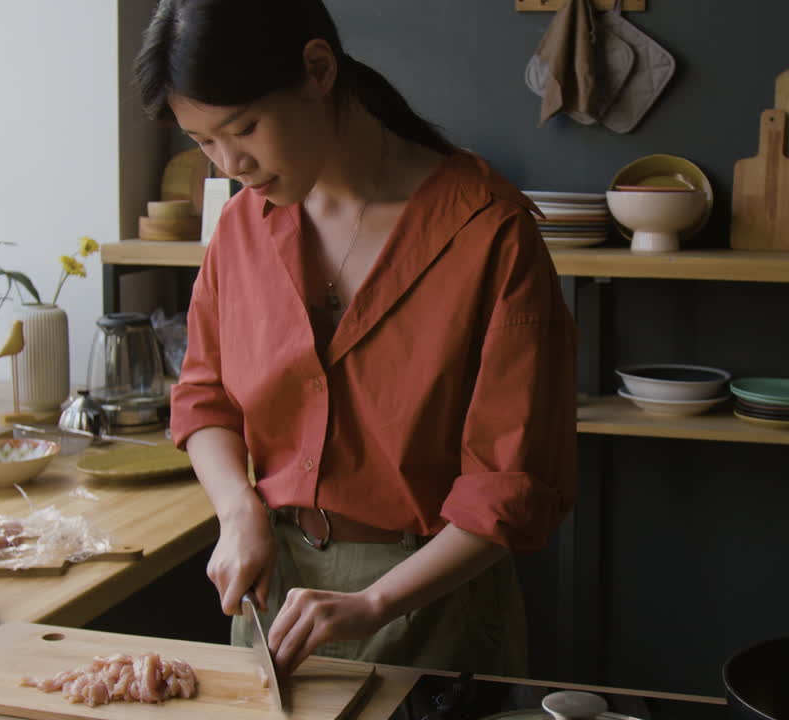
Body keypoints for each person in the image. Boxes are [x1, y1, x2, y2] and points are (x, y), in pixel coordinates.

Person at [135, 0, 578, 678]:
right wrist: (237, 509)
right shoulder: (240, 228)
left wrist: (375, 602)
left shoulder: (490, 233)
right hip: (275, 598)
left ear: (318, 69)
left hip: (433, 607)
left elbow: (510, 485)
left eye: (244, 128)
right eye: (204, 143)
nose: (231, 165)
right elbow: (205, 399)